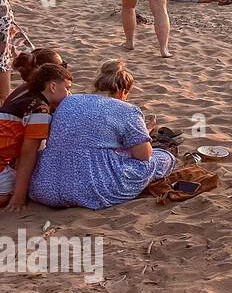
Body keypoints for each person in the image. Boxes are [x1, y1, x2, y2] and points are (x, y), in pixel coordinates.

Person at [28, 60, 176, 208]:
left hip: (46, 188)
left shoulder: (68, 102)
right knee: (162, 158)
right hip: (94, 189)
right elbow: (143, 155)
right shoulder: (128, 110)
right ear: (123, 91)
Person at [0, 56, 73, 209]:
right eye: (67, 88)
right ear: (53, 87)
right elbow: (28, 154)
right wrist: (19, 197)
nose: (69, 94)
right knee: (4, 196)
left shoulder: (24, 90)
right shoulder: (40, 110)